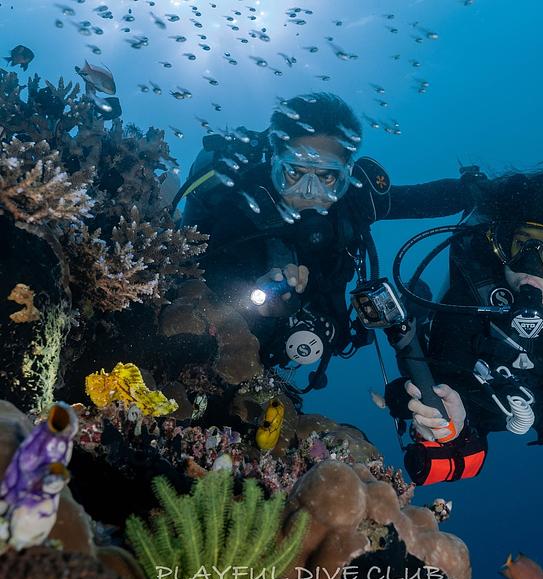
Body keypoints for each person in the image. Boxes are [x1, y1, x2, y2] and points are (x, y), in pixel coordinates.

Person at [178, 93, 480, 392]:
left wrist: (482, 190)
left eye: (327, 177)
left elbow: (426, 199)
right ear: (274, 163)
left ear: (347, 173)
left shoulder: (356, 202)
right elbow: (209, 279)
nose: (309, 192)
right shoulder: (242, 201)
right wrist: (259, 304)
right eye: (294, 173)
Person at [386, 163, 543, 518]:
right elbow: (447, 377)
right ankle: (418, 311)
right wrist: (451, 416)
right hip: (488, 392)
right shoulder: (473, 293)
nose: (531, 266)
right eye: (522, 244)